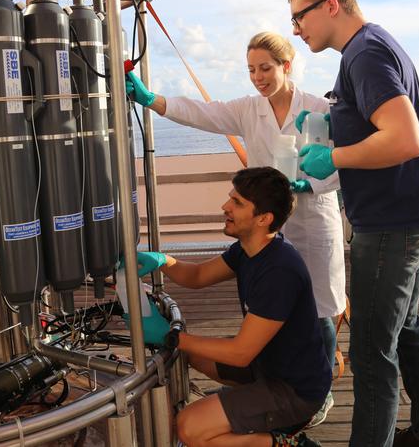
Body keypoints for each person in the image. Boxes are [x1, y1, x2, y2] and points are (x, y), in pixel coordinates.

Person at [125, 32, 347, 425]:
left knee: (322, 308)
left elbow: (339, 166)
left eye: (265, 68)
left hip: (312, 223)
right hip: (265, 227)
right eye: (251, 70)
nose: (258, 77)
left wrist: (308, 184)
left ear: (286, 66)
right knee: (271, 306)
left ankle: (317, 394)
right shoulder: (249, 110)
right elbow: (203, 114)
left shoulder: (317, 108)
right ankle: (274, 378)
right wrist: (153, 100)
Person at [288, 0, 419, 447]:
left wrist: (332, 156)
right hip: (412, 211)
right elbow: (376, 123)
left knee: (369, 352)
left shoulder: (365, 55)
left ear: (331, 5)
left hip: (390, 224)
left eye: (300, 17)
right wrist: (331, 123)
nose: (296, 30)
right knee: (406, 329)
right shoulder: (367, 49)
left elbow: (405, 139)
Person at [133, 167, 331, 446]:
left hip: (294, 390)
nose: (225, 206)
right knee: (196, 355)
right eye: (231, 198)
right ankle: (235, 412)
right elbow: (198, 276)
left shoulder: (279, 272)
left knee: (189, 428)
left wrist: (171, 336)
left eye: (237, 203)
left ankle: (287, 444)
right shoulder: (250, 248)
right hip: (266, 366)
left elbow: (239, 353)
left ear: (264, 218)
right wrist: (164, 261)